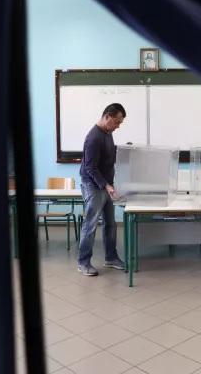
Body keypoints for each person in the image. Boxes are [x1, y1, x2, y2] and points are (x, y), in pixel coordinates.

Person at [77, 103, 126, 276]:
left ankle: (111, 258)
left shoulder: (107, 133)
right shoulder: (94, 138)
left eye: (120, 123)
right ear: (107, 117)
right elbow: (90, 168)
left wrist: (124, 151)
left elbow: (108, 155)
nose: (118, 126)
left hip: (106, 184)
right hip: (93, 185)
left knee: (110, 223)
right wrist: (106, 185)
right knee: (90, 225)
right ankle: (83, 263)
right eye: (117, 122)